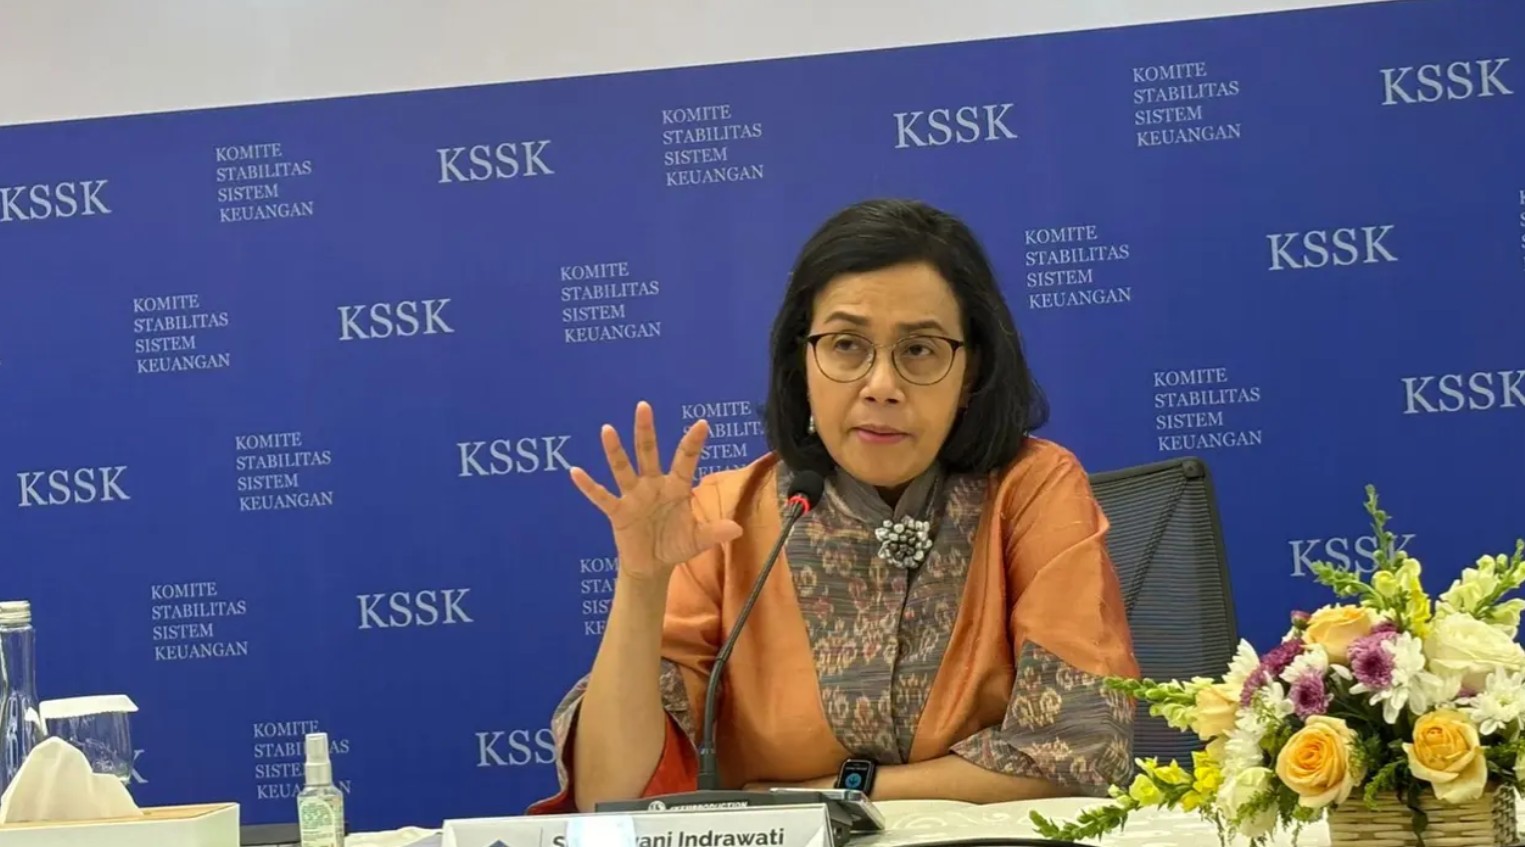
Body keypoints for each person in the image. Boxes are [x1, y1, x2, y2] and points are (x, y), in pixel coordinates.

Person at [528, 198, 1139, 814]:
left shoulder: (1030, 489)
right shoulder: (723, 517)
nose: (882, 386)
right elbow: (612, 796)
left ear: (969, 372)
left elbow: (1080, 751)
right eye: (847, 345)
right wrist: (641, 583)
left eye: (919, 350)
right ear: (803, 361)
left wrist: (826, 795)